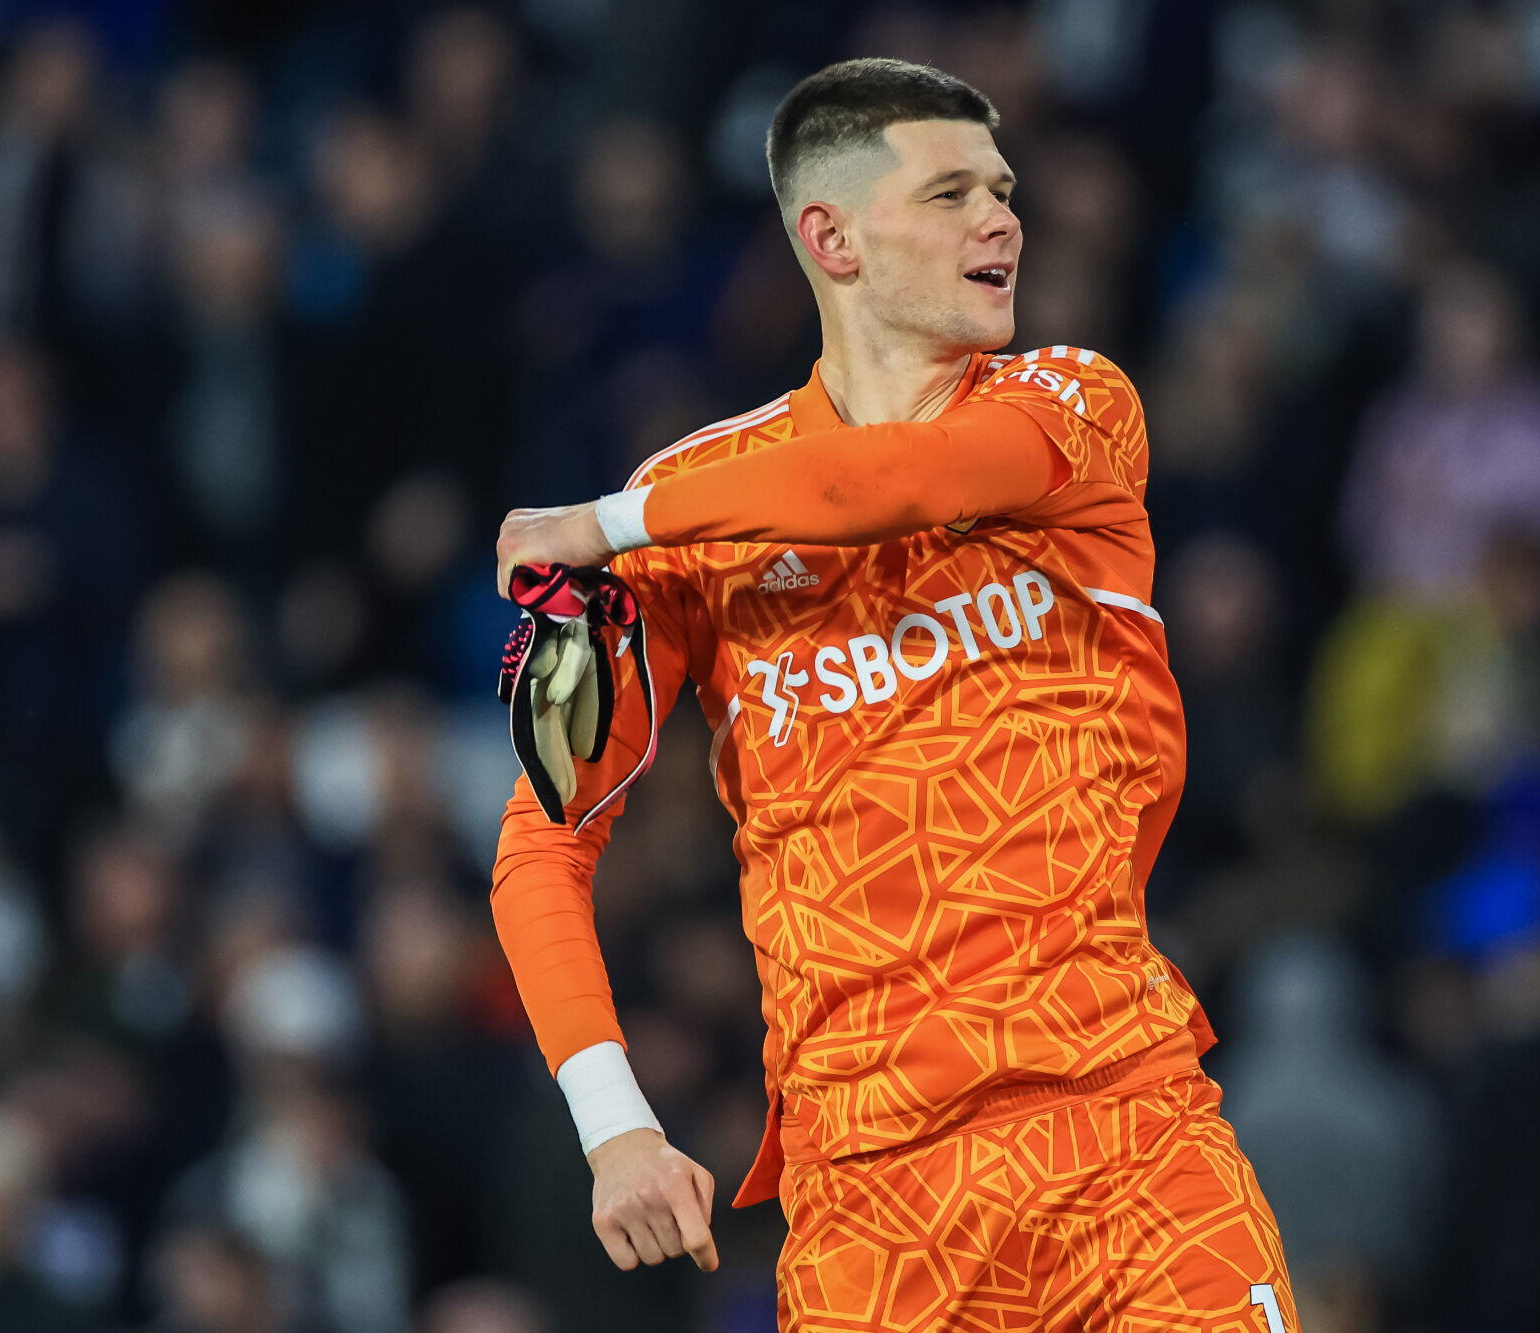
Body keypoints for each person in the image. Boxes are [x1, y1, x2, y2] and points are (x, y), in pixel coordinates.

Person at [490, 59, 1299, 1331]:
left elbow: (873, 485)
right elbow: (543, 842)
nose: (1003, 220)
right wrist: (614, 1125)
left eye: (1004, 191)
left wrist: (600, 521)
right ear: (833, 238)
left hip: (1125, 1147)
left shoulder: (1073, 407)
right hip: (872, 1220)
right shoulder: (695, 517)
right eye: (950, 194)